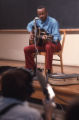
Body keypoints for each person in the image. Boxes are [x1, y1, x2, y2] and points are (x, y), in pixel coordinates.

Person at [24, 5, 61, 74]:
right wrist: (31, 32)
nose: (41, 16)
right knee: (26, 49)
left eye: (42, 14)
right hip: (42, 44)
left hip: (55, 44)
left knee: (48, 46)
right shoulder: (36, 21)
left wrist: (48, 39)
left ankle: (48, 70)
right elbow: (29, 25)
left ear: (46, 13)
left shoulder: (53, 22)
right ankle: (32, 69)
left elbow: (56, 38)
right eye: (39, 14)